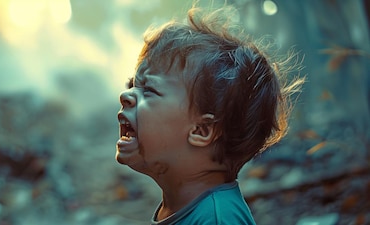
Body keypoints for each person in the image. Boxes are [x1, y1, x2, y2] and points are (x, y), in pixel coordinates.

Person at [115, 5, 304, 225]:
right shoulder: (183, 206)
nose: (126, 94)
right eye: (132, 84)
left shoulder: (219, 219)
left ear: (201, 130)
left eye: (149, 90)